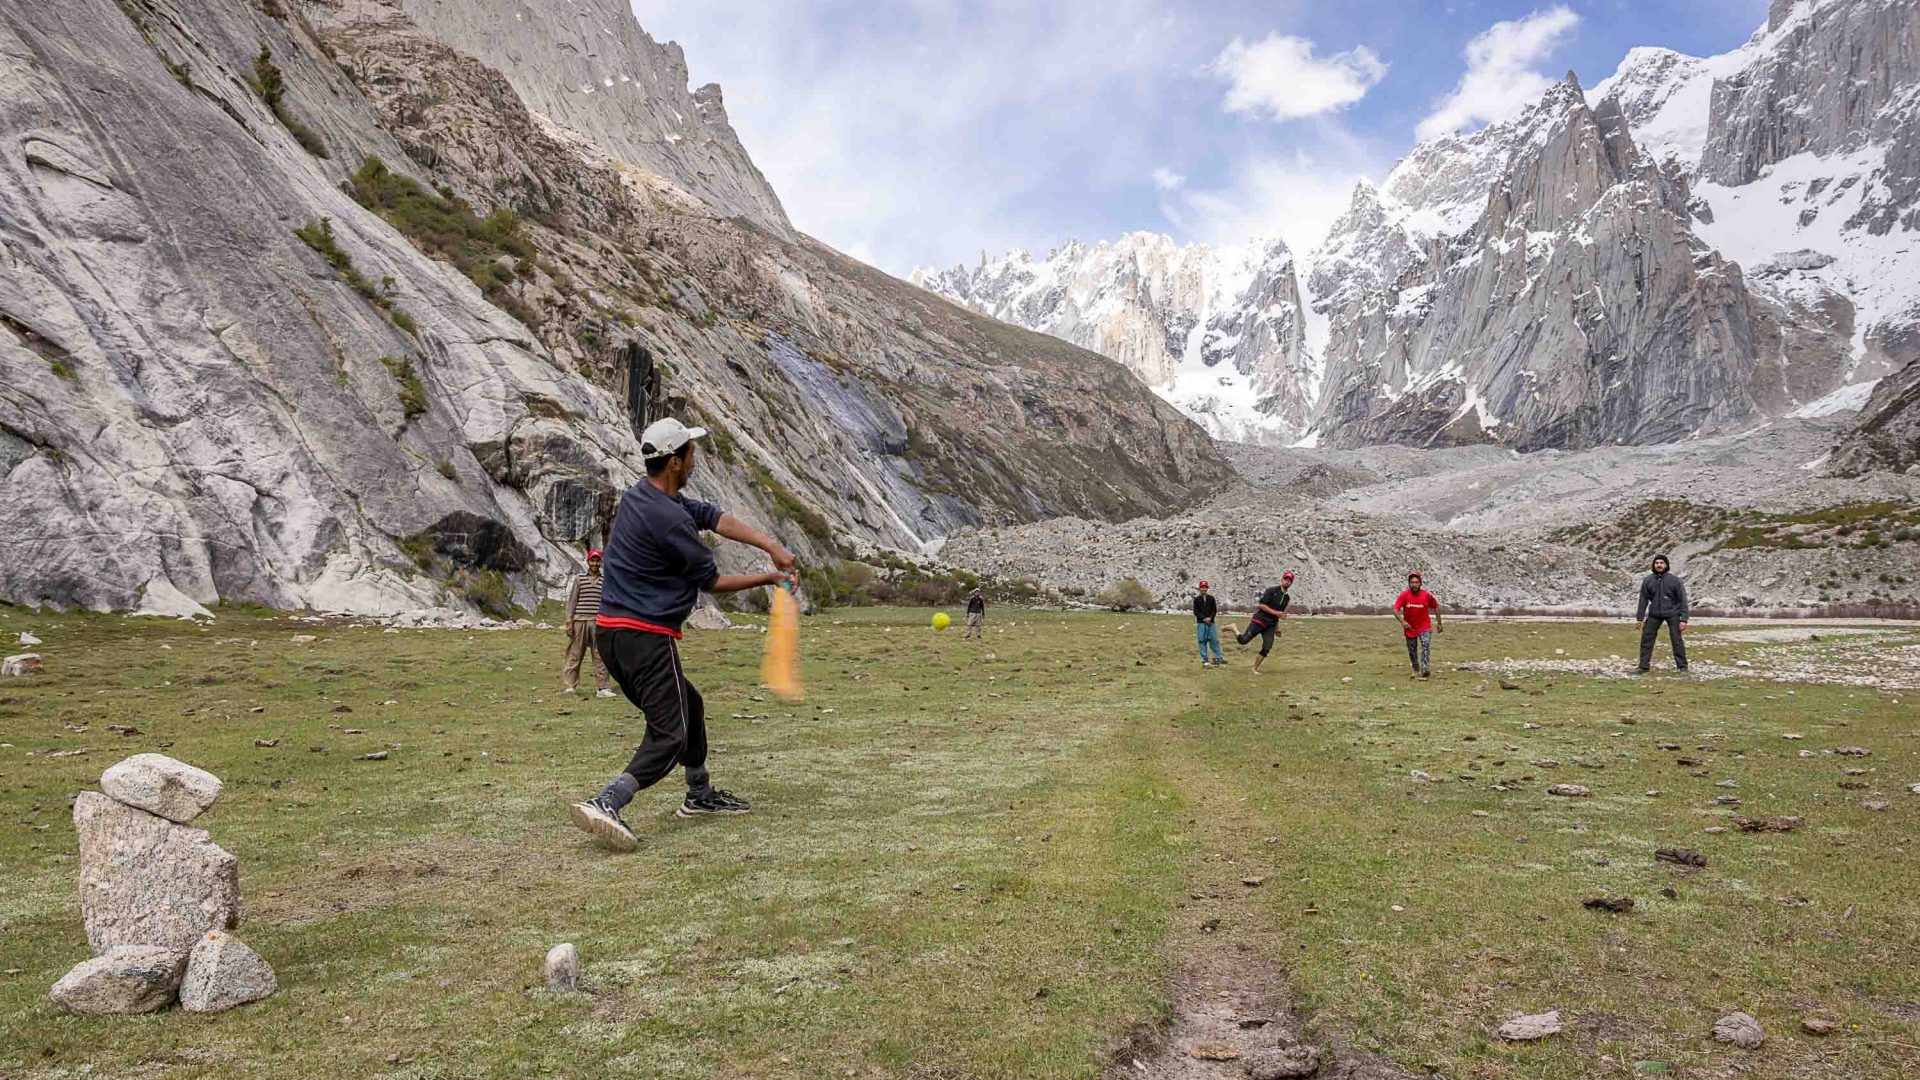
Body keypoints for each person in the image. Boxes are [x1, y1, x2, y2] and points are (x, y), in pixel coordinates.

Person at [569, 417, 798, 853]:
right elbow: (710, 582)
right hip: (644, 636)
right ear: (675, 461)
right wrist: (771, 578)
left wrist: (770, 545)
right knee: (670, 731)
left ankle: (699, 793)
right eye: (691, 453)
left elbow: (713, 517)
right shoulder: (669, 521)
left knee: (689, 703)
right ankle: (608, 800)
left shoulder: (644, 497)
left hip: (612, 635)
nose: (695, 458)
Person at [560, 550, 614, 697]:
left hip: (599, 621)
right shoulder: (579, 579)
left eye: (597, 560)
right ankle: (570, 686)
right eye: (592, 560)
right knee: (574, 654)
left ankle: (602, 688)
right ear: (588, 562)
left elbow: (609, 602)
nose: (595, 563)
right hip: (580, 621)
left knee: (600, 655)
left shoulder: (605, 580)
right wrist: (569, 621)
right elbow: (572, 601)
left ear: (600, 562)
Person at [1228, 570, 1293, 674]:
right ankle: (1233, 627)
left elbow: (1279, 614)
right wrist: (1276, 613)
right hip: (1259, 620)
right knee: (1243, 641)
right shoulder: (1272, 590)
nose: (1288, 582)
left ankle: (1254, 668)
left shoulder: (1286, 598)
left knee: (1267, 646)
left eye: (1290, 581)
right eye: (1286, 579)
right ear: (1282, 580)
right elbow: (1261, 605)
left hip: (1270, 625)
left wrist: (1277, 628)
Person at [1635, 554, 1689, 672]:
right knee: (1646, 639)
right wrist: (1640, 618)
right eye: (1656, 563)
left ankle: (1683, 667)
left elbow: (1683, 599)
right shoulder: (1648, 580)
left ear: (1666, 565)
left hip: (1673, 613)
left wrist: (1684, 619)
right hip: (1654, 614)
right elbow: (1643, 600)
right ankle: (1643, 667)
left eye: (1661, 563)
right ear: (1653, 565)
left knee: (1676, 640)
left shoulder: (1674, 580)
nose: (1659, 565)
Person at [1392, 571, 1442, 679]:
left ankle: (1425, 669)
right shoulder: (1404, 595)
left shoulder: (1427, 595)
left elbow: (1436, 607)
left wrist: (1439, 623)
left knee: (1425, 644)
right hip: (1410, 627)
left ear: (1420, 583)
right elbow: (1395, 609)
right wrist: (1402, 622)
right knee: (1412, 650)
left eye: (1416, 582)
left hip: (1424, 626)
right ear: (1409, 583)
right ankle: (1416, 669)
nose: (1414, 584)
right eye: (1412, 582)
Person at [1193, 580, 1224, 667]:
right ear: (1199, 588)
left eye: (1205, 587)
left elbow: (1214, 610)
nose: (1203, 589)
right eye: (1202, 587)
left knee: (1214, 640)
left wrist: (1210, 618)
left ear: (1207, 588)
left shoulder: (1211, 598)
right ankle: (1205, 659)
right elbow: (1196, 612)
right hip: (1201, 623)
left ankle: (1218, 658)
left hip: (1211, 622)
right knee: (1202, 640)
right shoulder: (1196, 599)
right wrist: (1204, 618)